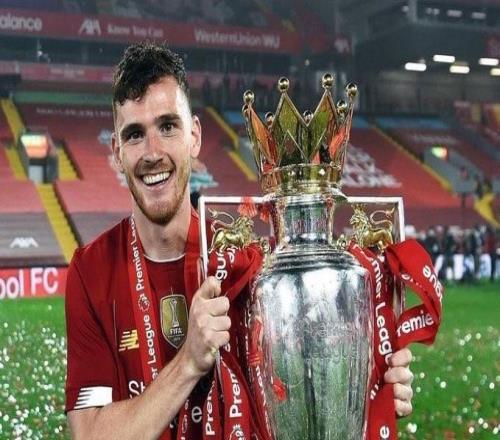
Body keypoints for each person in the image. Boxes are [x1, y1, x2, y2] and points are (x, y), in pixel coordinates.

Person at [65, 42, 414, 439]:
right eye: (134, 135)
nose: (152, 152)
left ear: (194, 136)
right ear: (117, 152)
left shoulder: (244, 263)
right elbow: (90, 434)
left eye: (168, 126)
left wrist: (369, 381)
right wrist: (188, 363)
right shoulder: (90, 271)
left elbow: (296, 403)